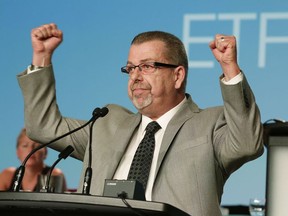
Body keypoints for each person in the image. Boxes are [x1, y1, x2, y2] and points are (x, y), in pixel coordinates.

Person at [16, 23, 263, 216]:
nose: (135, 77)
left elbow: (247, 142)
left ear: (177, 76)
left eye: (147, 67)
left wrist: (230, 69)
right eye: (130, 68)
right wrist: (42, 57)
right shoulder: (105, 123)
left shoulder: (210, 124)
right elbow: (42, 127)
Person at [0, 128, 67, 192]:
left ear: (45, 152)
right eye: (25, 145)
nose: (30, 150)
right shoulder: (7, 175)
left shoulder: (54, 174)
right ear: (17, 152)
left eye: (37, 146)